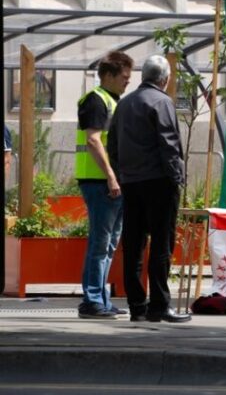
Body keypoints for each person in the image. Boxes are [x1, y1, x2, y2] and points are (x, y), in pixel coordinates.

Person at [108, 54, 189, 323]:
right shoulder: (162, 102)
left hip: (132, 183)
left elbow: (113, 145)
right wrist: (177, 177)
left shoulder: (125, 103)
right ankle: (159, 306)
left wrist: (123, 173)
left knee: (133, 244)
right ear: (164, 80)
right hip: (159, 182)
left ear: (143, 76)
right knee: (161, 244)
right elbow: (169, 144)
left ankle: (137, 307)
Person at [75, 50, 133, 319]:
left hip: (110, 181)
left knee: (108, 243)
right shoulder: (96, 101)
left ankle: (100, 298)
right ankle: (93, 300)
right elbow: (93, 140)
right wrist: (110, 175)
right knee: (101, 242)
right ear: (108, 75)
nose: (128, 81)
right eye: (123, 76)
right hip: (100, 181)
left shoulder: (112, 100)